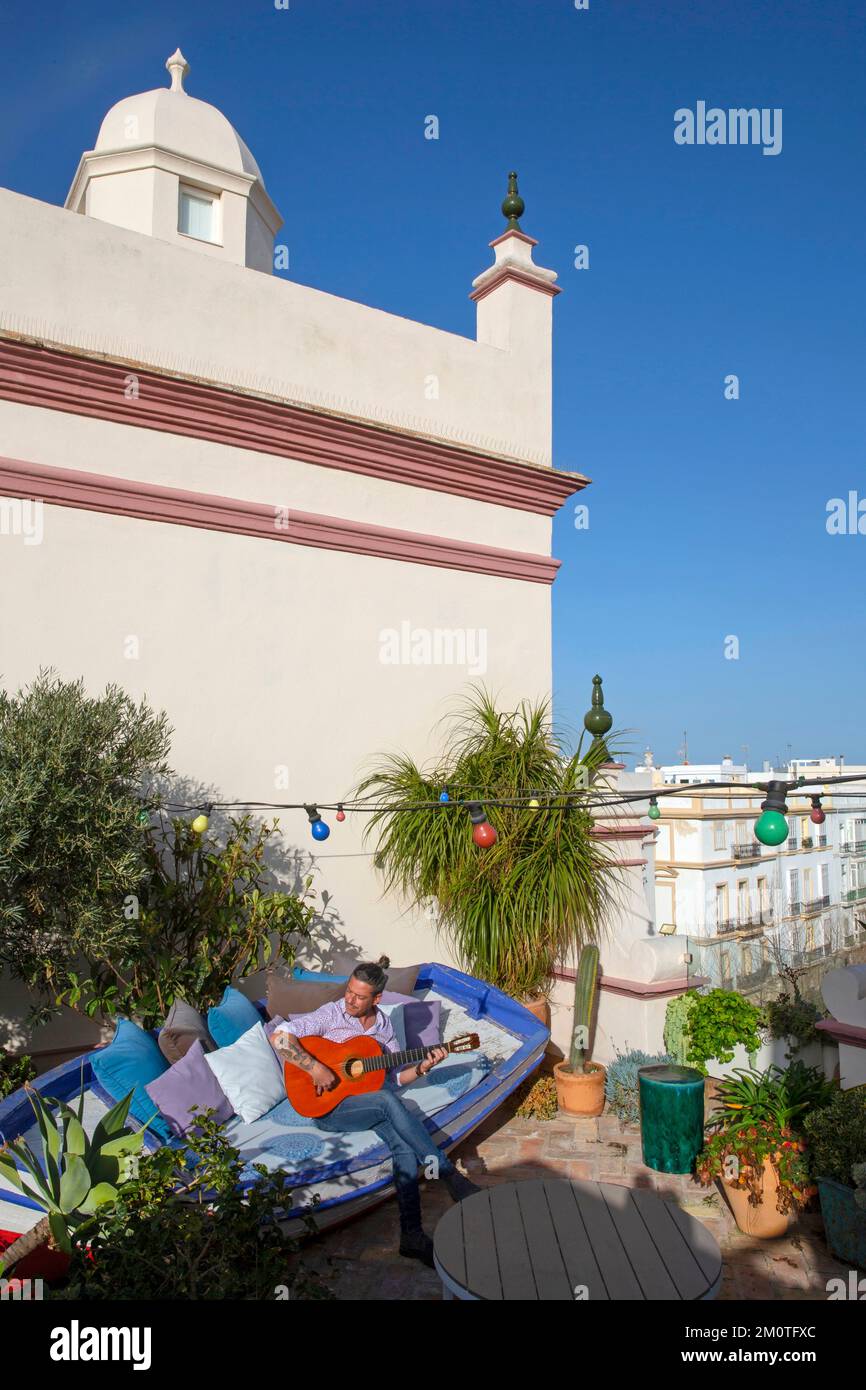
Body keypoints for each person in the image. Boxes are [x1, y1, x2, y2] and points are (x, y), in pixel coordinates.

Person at [269, 960, 480, 1267]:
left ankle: (411, 1236)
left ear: (377, 999)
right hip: (326, 1108)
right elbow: (281, 1036)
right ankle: (447, 1174)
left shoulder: (384, 1029)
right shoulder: (331, 1013)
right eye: (349, 992)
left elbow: (394, 1078)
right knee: (384, 1101)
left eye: (359, 996)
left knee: (403, 1147)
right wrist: (314, 1067)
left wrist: (423, 1066)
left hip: (362, 1105)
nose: (350, 1000)